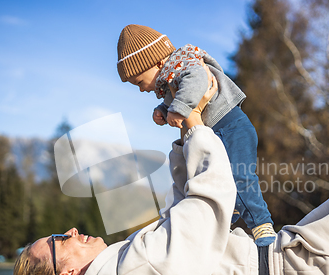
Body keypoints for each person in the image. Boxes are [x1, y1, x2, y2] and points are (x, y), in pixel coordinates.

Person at [4, 75, 329, 275]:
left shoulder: (121, 269)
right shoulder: (128, 272)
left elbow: (181, 213)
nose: (71, 230)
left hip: (291, 261)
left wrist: (181, 142)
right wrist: (197, 125)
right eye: (60, 240)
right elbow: (209, 205)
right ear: (65, 273)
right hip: (309, 271)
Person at [116, 24, 276, 247]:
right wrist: (163, 111)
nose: (142, 89)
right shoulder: (171, 79)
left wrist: (177, 109)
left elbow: (197, 81)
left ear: (157, 63)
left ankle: (262, 226)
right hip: (220, 132)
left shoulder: (183, 65)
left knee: (241, 179)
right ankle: (223, 218)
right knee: (220, 181)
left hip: (232, 129)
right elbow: (182, 95)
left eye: (139, 82)